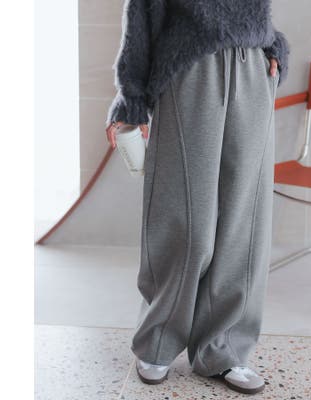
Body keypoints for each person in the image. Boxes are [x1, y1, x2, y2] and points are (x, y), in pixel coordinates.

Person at [105, 0, 289, 395]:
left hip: (253, 68)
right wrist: (130, 98)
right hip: (190, 67)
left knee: (244, 222)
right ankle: (158, 339)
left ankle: (224, 349)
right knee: (185, 217)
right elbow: (142, 13)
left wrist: (273, 44)